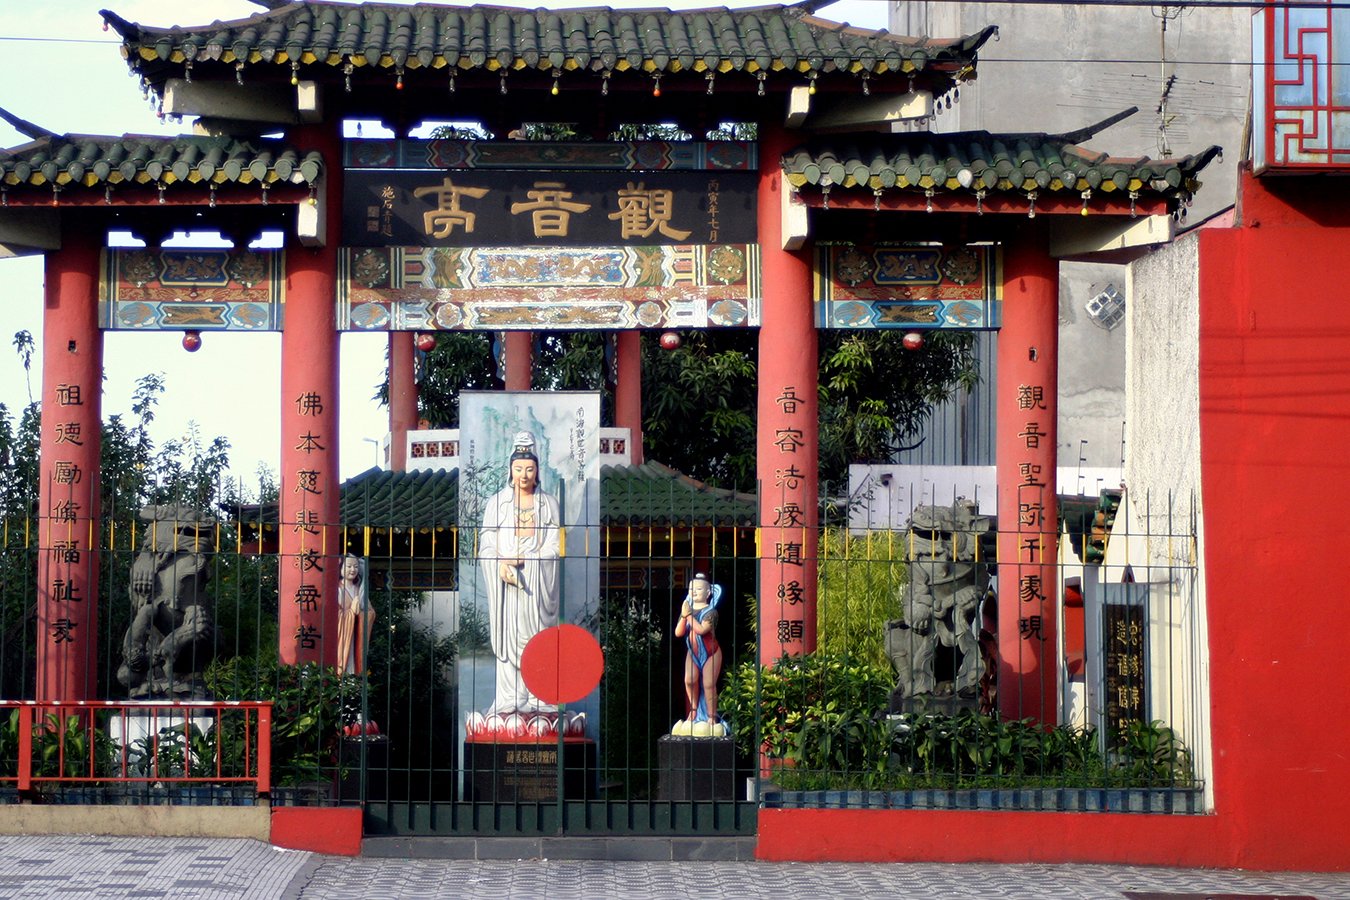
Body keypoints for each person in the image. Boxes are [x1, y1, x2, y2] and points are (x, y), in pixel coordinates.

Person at [478, 431, 562, 715]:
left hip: (536, 585)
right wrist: (500, 564)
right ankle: (510, 698)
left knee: (539, 640)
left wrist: (527, 558)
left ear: (537, 471)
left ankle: (541, 697)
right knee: (510, 637)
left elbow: (554, 547)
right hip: (508, 587)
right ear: (509, 471)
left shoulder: (549, 504)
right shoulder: (496, 504)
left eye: (529, 469)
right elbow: (487, 546)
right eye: (518, 469)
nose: (523, 475)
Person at [673, 573, 727, 737]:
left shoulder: (711, 612)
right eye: (691, 589)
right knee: (689, 680)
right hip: (693, 652)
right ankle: (694, 709)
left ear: (708, 592)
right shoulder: (687, 609)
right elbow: (678, 632)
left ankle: (711, 716)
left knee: (709, 684)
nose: (694, 592)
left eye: (698, 589)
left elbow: (702, 630)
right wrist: (684, 616)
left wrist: (688, 615)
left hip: (711, 653)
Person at [336, 555, 374, 676]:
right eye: (349, 566)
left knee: (354, 662)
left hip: (356, 636)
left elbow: (371, 612)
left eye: (356, 566)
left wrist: (362, 615)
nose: (353, 569)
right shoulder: (336, 589)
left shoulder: (360, 591)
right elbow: (332, 616)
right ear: (341, 568)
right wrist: (351, 613)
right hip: (342, 638)